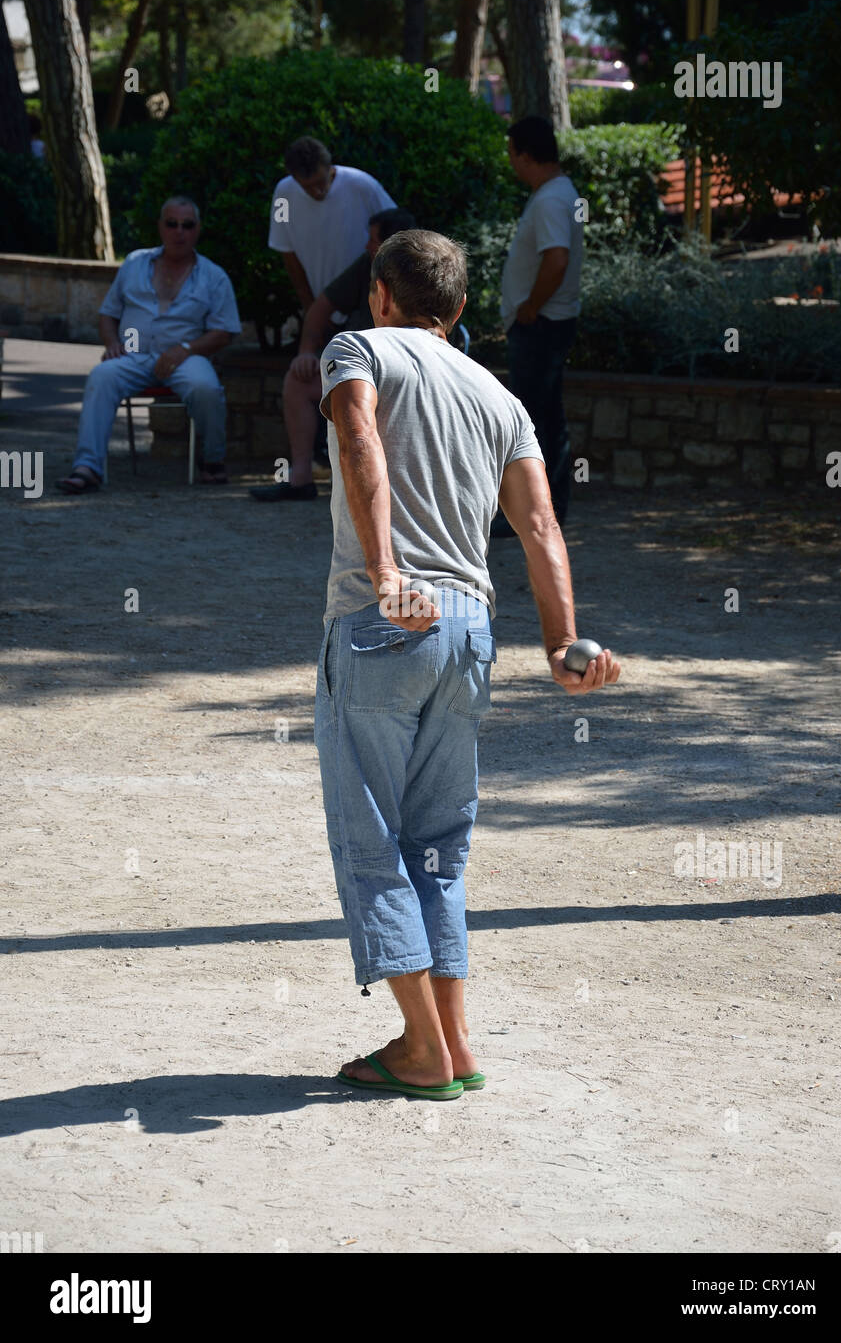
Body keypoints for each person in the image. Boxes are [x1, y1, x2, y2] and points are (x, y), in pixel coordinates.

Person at [314, 229, 620, 1099]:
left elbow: (358, 443)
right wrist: (562, 642)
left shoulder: (357, 349)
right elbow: (540, 527)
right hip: (471, 631)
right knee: (441, 846)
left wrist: (385, 573)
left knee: (370, 839)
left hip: (389, 622)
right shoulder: (500, 394)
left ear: (381, 294)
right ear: (455, 312)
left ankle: (419, 1048)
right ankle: (455, 1042)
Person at [55, 197, 241, 492]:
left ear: (197, 230)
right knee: (101, 376)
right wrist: (112, 341)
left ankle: (212, 460)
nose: (179, 231)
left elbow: (225, 332)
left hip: (185, 355)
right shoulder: (134, 263)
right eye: (172, 224)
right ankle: (87, 467)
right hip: (133, 354)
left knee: (205, 387)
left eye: (187, 225)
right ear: (160, 227)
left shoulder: (213, 276)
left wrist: (187, 349)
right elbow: (108, 313)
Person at [250, 206, 417, 502]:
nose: (367, 245)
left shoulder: (422, 275)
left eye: (373, 240)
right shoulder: (367, 265)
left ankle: (383, 485)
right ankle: (301, 478)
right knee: (298, 380)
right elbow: (320, 309)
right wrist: (305, 352)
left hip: (399, 375)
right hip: (353, 369)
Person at [491, 116, 584, 538]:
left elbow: (557, 259)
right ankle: (546, 510)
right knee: (546, 417)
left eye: (512, 155)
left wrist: (530, 306)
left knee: (531, 422)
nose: (511, 163)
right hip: (547, 322)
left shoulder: (549, 199)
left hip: (541, 324)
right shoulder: (558, 192)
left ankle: (537, 513)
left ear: (526, 156)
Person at [268, 136, 396, 315]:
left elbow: (395, 232)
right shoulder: (282, 195)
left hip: (368, 303)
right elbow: (286, 251)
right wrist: (310, 308)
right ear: (294, 178)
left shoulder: (362, 185)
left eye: (320, 182)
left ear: (329, 168)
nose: (317, 192)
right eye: (307, 187)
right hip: (323, 306)